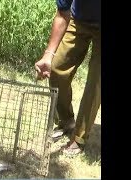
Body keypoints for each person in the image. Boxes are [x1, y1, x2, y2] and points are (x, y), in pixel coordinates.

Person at [34, 0, 100, 156]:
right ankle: (66, 122)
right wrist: (48, 55)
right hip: (79, 21)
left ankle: (79, 138)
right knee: (56, 68)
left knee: (96, 82)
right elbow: (62, 14)